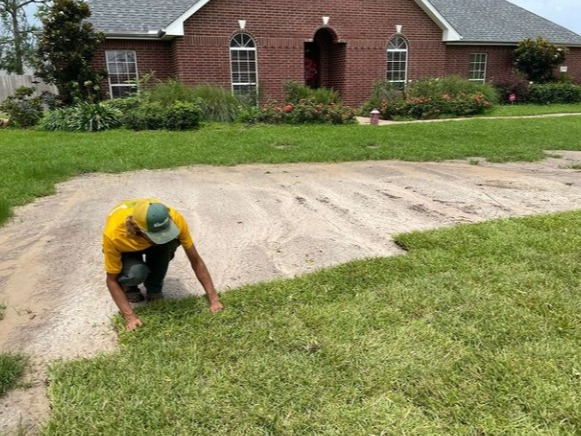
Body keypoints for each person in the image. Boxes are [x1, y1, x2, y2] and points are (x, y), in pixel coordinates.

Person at [102, 198, 223, 331]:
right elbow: (111, 280)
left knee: (167, 244)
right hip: (127, 247)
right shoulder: (114, 235)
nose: (162, 237)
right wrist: (130, 317)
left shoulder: (176, 219)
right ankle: (130, 287)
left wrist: (214, 299)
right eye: (156, 235)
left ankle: (154, 289)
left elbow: (196, 260)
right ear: (138, 229)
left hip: (145, 237)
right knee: (136, 272)